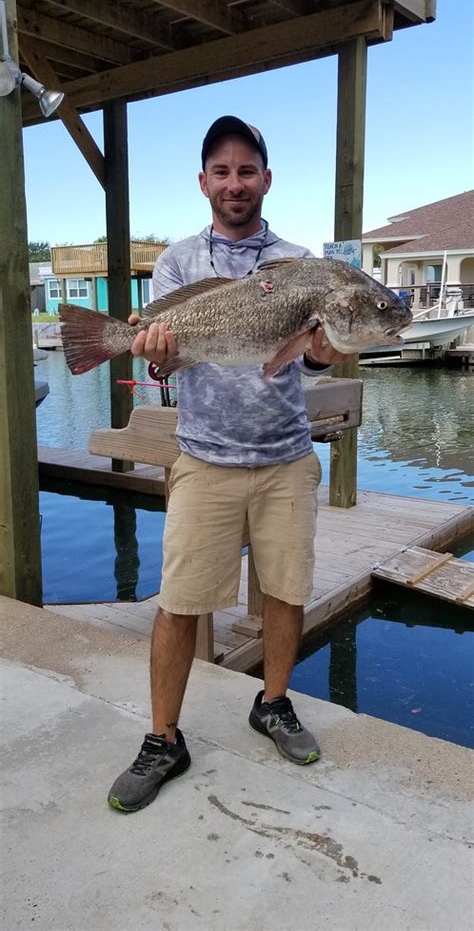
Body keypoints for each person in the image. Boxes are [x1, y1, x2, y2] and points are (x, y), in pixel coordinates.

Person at [108, 116, 346, 813]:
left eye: (247, 171)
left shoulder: (303, 266)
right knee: (179, 603)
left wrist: (323, 351)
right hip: (204, 459)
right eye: (223, 171)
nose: (235, 183)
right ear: (204, 182)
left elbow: (308, 354)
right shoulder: (181, 262)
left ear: (266, 180)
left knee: (286, 591)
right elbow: (165, 347)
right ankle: (162, 739)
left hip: (284, 459)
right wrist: (152, 346)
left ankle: (272, 704)